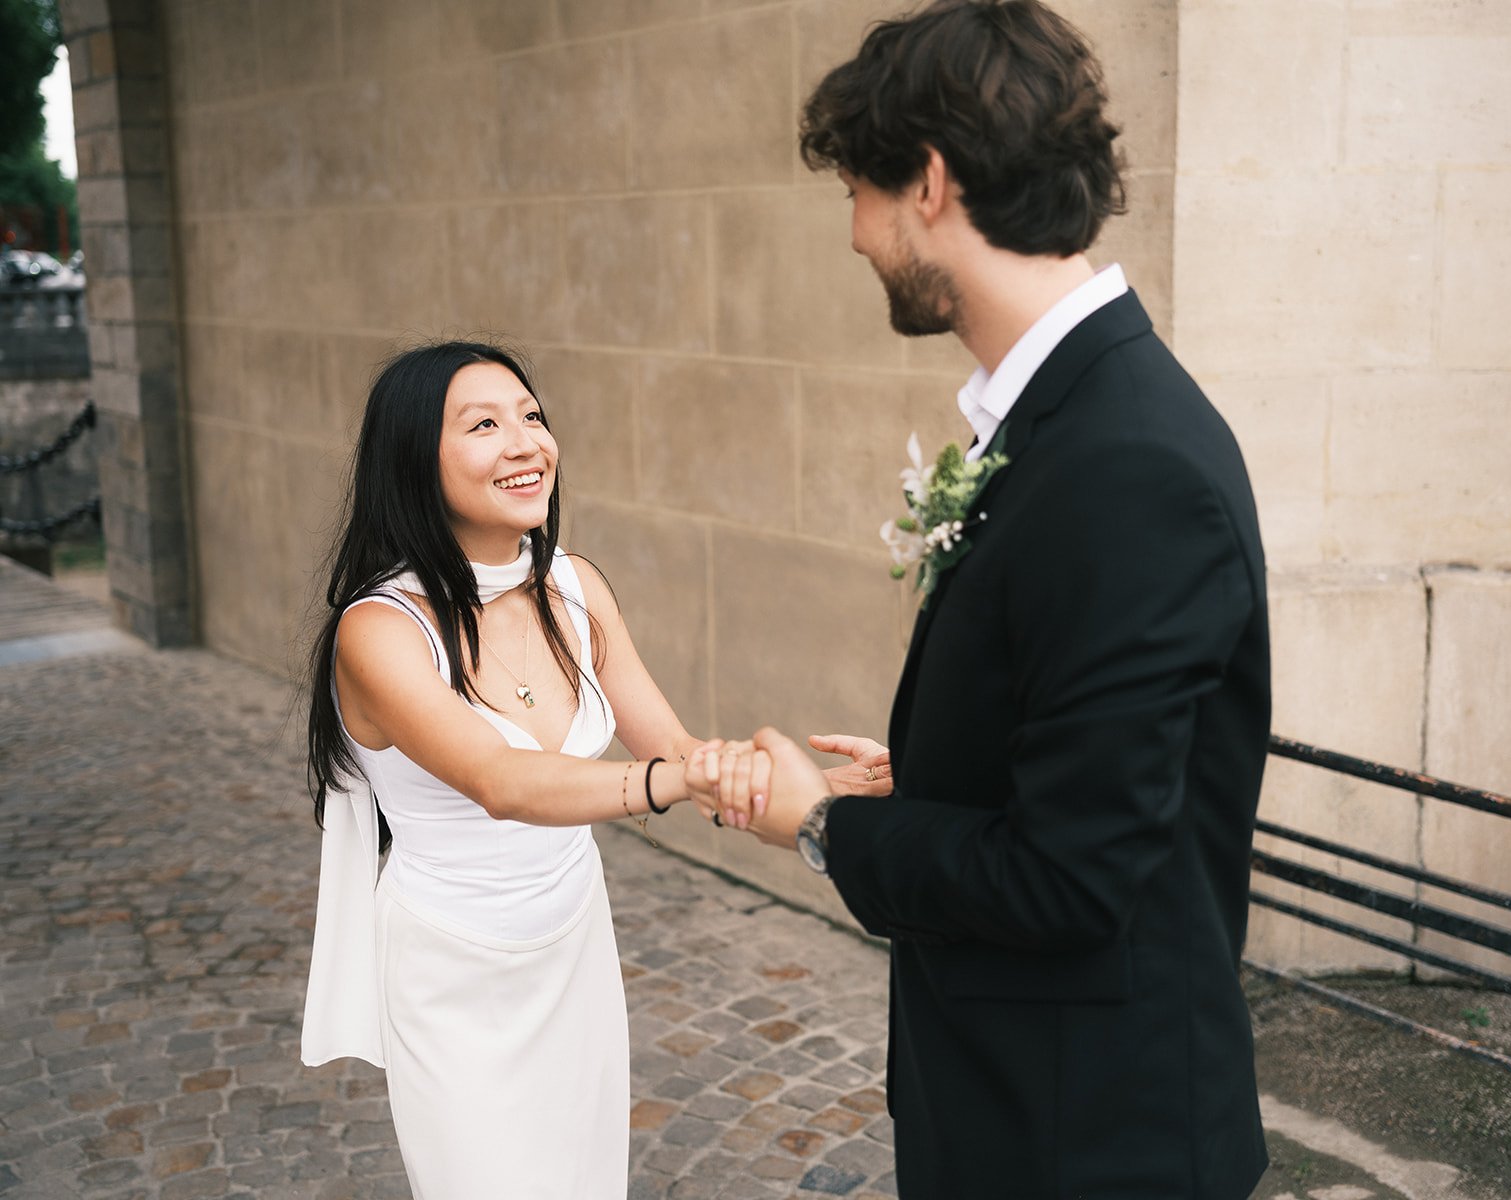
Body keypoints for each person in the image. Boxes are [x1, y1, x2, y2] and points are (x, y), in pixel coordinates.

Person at [737, 3, 1273, 1196]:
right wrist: (935, 773)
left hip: (1088, 1142)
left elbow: (1068, 880)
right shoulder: (1065, 419)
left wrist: (822, 825)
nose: (856, 239)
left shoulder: (1129, 465)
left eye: (857, 198)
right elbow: (1088, 764)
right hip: (1026, 1112)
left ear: (927, 182)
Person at [297, 340, 886, 1198]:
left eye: (533, 417)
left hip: (572, 942)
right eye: (485, 425)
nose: (525, 441)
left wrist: (821, 796)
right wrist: (673, 785)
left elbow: (680, 753)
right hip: (453, 971)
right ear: (414, 460)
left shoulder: (576, 588)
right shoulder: (379, 630)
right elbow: (502, 780)